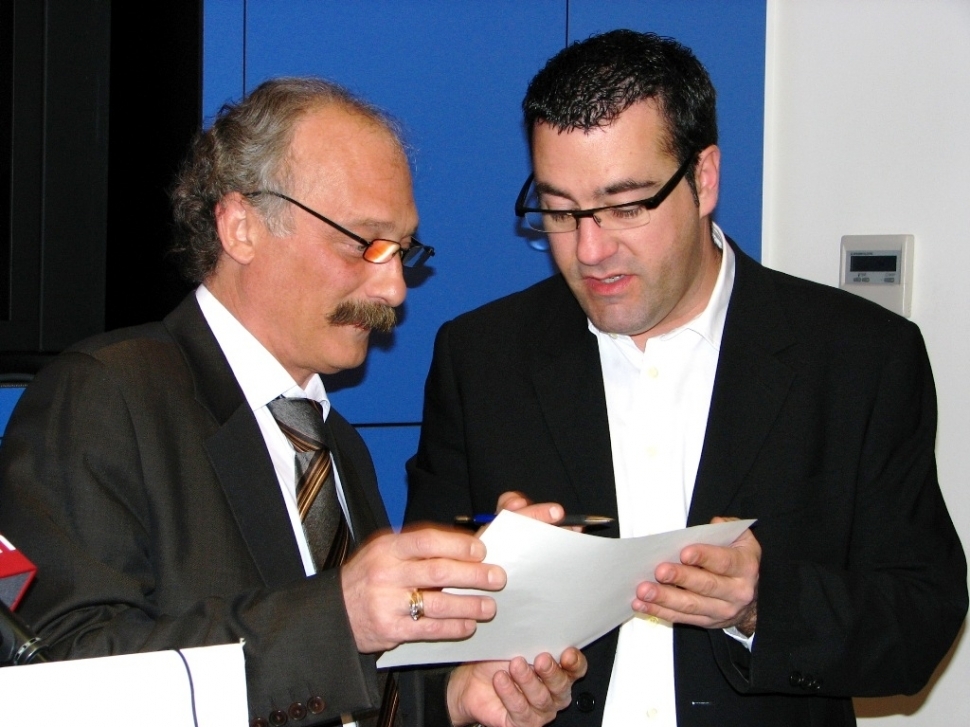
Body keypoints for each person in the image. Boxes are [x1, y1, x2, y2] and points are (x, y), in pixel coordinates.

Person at [405, 30, 968, 727]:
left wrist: (763, 603)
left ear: (704, 179)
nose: (590, 249)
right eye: (560, 210)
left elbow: (920, 620)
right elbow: (419, 618)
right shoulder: (480, 359)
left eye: (626, 205)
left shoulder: (859, 357)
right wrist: (491, 591)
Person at [0, 77, 586, 727]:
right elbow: (59, 675)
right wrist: (341, 613)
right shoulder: (107, 396)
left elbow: (334, 690)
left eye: (402, 251)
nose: (394, 289)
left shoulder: (336, 445)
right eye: (364, 243)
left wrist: (454, 697)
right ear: (242, 227)